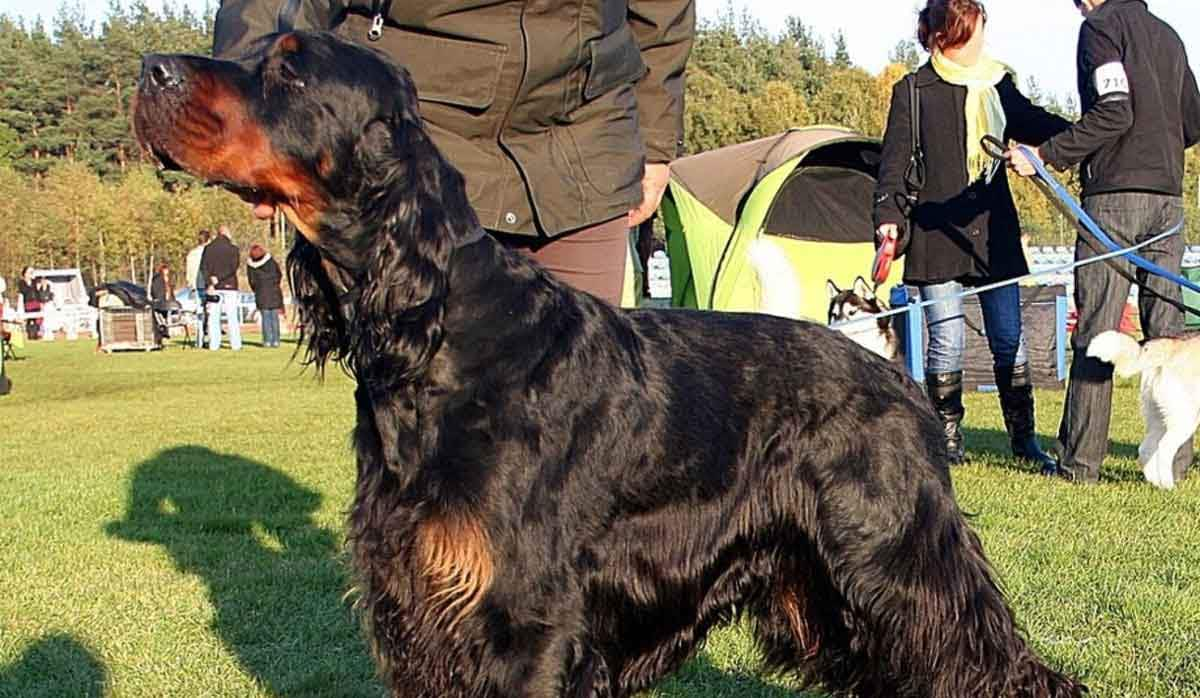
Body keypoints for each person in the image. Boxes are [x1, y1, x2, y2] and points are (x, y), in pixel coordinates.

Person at [213, 0, 695, 306]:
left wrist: (654, 143)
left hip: (587, 139)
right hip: (419, 145)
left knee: (582, 420)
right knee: (421, 416)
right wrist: (248, 119)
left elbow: (662, 12)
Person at [1008, 0, 1200, 484]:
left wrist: (1046, 155)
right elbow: (1194, 123)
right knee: (1169, 332)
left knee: (1096, 328)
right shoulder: (1168, 34)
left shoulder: (1100, 27)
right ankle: (1173, 464)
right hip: (1167, 200)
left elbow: (1114, 111)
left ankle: (1080, 464)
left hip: (1114, 198)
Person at [874, 0, 1070, 467]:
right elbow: (894, 166)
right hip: (935, 231)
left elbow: (1038, 123)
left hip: (992, 232)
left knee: (1009, 337)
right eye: (973, 32)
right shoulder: (913, 90)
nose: (982, 40)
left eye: (983, 29)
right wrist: (888, 219)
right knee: (947, 339)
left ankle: (1024, 442)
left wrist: (1087, 136)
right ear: (944, 37)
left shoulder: (998, 83)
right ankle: (947, 443)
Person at [199, 225, 243, 351]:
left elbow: (203, 268)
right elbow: (233, 267)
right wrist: (220, 278)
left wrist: (210, 281)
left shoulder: (208, 248)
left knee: (213, 316)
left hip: (214, 288)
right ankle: (236, 344)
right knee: (232, 316)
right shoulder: (233, 249)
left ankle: (214, 344)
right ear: (226, 233)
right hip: (230, 287)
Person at [246, 243, 284, 348]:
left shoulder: (251, 266)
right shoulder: (271, 262)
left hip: (261, 293)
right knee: (274, 317)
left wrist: (257, 289)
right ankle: (276, 340)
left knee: (266, 318)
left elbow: (251, 281)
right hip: (274, 292)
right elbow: (279, 275)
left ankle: (267, 341)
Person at [186, 229, 213, 347]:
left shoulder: (192, 254)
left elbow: (189, 273)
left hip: (197, 286)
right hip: (208, 285)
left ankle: (199, 341)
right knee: (211, 313)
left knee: (199, 315)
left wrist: (191, 285)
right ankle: (212, 340)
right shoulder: (211, 252)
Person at [17, 266, 43, 340]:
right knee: (30, 318)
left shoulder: (34, 281)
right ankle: (30, 334)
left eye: (31, 272)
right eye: (28, 272)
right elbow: (23, 291)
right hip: (28, 303)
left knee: (37, 318)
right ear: (25, 274)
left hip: (36, 302)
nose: (30, 274)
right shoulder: (21, 282)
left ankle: (36, 333)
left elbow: (37, 291)